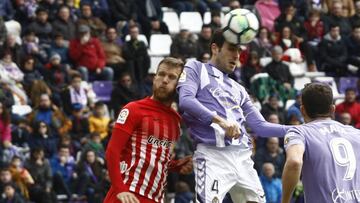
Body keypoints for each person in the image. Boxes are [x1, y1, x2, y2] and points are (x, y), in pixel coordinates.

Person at [177, 30, 290, 203]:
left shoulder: (239, 89)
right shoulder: (196, 68)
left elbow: (260, 126)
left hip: (243, 157)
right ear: (215, 48)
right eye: (231, 49)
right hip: (212, 155)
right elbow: (185, 100)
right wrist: (221, 121)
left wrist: (300, 129)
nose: (237, 55)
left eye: (239, 51)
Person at [104, 57, 192, 203]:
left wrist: (177, 166)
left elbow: (156, 156)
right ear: (154, 77)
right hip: (129, 193)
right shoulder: (134, 109)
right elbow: (112, 151)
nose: (164, 80)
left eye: (171, 77)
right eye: (161, 74)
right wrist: (120, 189)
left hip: (155, 197)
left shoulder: (176, 121)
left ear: (179, 84)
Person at [282, 83, 360, 203]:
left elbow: (294, 162)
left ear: (302, 110)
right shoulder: (355, 133)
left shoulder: (299, 132)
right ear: (332, 109)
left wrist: (285, 201)